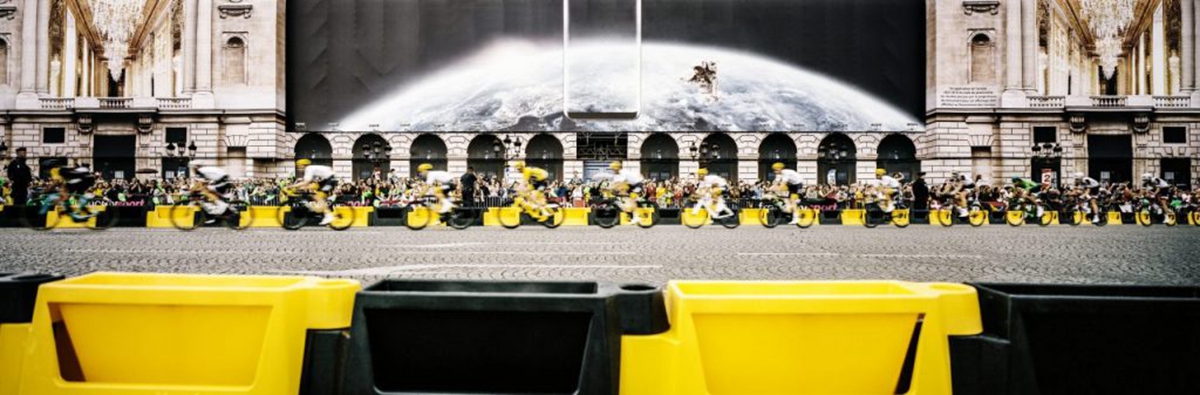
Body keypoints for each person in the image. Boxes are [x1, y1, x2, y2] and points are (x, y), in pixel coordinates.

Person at [287, 159, 337, 225]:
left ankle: (329, 215)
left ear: (303, 166)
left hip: (330, 179)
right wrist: (300, 188)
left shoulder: (309, 169)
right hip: (325, 180)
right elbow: (311, 184)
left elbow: (306, 182)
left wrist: (293, 186)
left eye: (299, 166)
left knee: (318, 197)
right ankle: (320, 209)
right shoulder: (311, 169)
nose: (299, 169)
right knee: (314, 194)